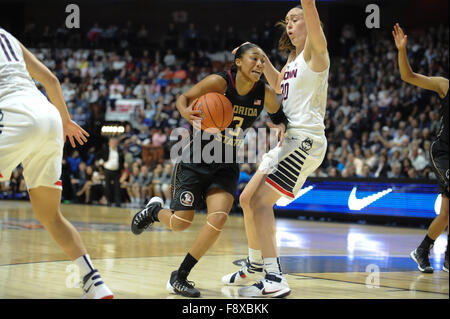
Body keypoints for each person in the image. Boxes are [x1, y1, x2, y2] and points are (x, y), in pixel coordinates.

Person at [130, 42, 286, 297]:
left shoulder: (265, 93)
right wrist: (185, 112)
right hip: (196, 158)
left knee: (218, 219)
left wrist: (282, 126)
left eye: (262, 61)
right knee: (181, 223)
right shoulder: (219, 82)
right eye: (254, 59)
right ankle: (155, 211)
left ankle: (179, 276)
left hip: (226, 163)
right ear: (238, 62)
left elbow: (279, 118)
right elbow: (184, 97)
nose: (259, 64)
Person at [222, 0, 330, 298]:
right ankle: (256, 265)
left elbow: (310, 8)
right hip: (287, 142)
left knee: (261, 204)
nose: (290, 23)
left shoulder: (317, 54)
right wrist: (257, 55)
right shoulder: (293, 62)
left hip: (305, 142)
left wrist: (306, 7)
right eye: (287, 20)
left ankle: (275, 277)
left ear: (312, 23)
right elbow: (278, 83)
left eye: (296, 19)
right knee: (246, 199)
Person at [0, 27, 113, 298]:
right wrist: (65, 120)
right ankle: (93, 282)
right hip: (48, 116)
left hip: (15, 113)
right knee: (50, 215)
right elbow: (50, 79)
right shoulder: (7, 37)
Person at [392, 23, 449, 273]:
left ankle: (423, 250)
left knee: (446, 214)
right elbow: (409, 77)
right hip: (443, 152)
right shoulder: (445, 85)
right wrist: (402, 51)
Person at [97, 136, 124, 207]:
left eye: (115, 142)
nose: (114, 144)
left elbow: (122, 160)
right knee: (107, 187)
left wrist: (122, 168)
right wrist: (101, 163)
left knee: (117, 187)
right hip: (107, 170)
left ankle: (117, 202)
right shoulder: (105, 149)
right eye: (112, 142)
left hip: (116, 171)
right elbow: (98, 157)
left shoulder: (119, 150)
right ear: (109, 143)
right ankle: (108, 201)